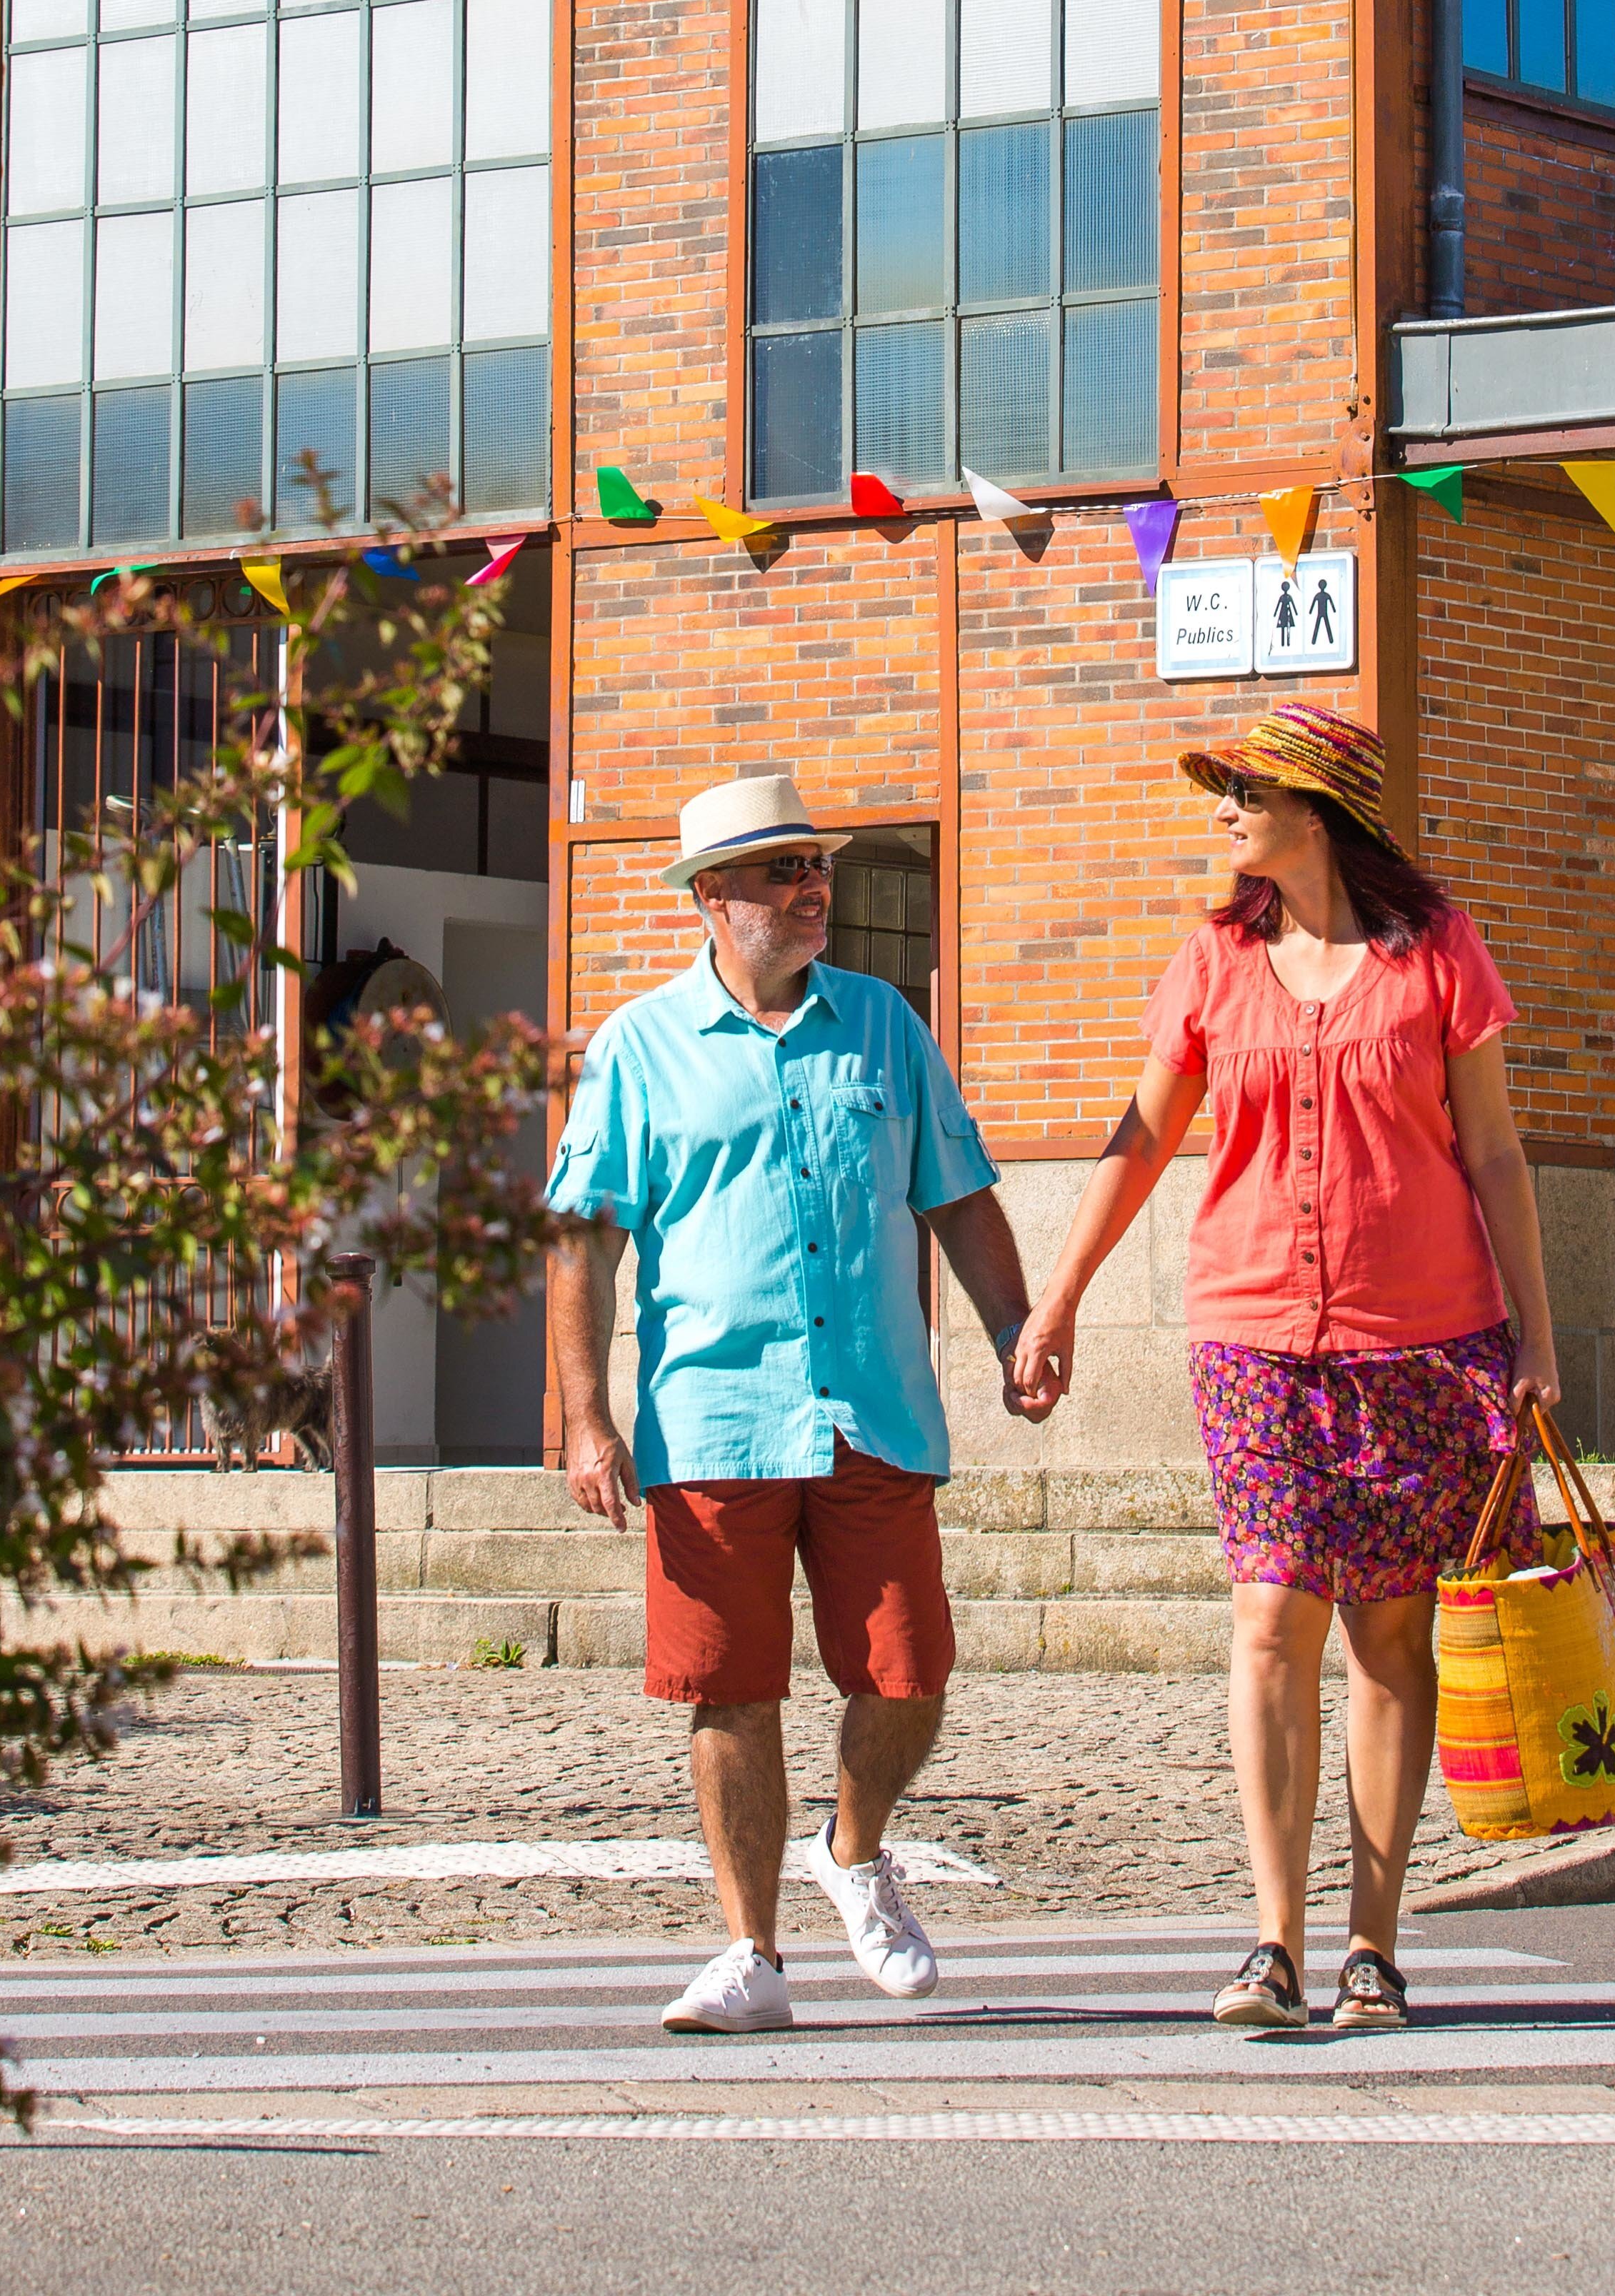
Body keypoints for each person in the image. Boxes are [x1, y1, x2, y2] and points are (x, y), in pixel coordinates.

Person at [1007, 706, 1556, 2040]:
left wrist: (1540, 1339)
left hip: (1424, 1337)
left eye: (1247, 791)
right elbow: (1140, 1140)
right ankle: (1273, 1942)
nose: (1225, 811)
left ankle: (1374, 1945)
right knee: (1270, 1617)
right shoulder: (1212, 960)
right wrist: (1061, 1296)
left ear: (1317, 812)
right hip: (1253, 1336)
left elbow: (1492, 1153)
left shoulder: (1437, 958)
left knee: (1388, 1634)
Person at [548, 768, 1056, 2035]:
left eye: (817, 864)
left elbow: (959, 1195)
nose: (812, 885)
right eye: (783, 870)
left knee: (910, 1671)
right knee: (729, 1688)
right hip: (712, 1416)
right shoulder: (638, 1049)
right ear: (713, 898)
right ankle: (750, 1952)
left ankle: (853, 1845)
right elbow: (582, 1244)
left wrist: (1016, 1330)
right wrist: (583, 1414)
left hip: (871, 1408)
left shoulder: (885, 1025)